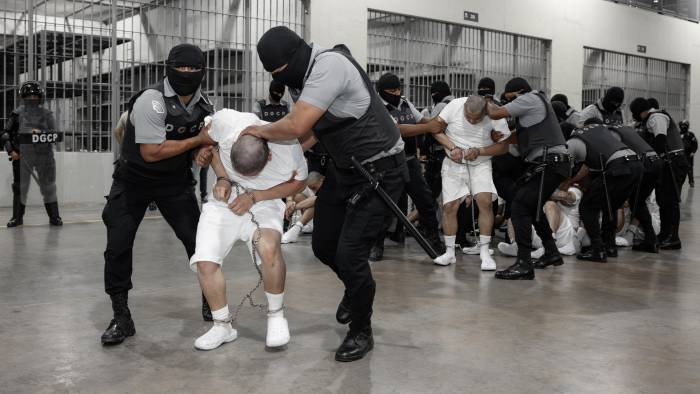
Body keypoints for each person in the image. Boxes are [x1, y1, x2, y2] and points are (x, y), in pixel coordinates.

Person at [246, 26, 408, 362]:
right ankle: (356, 286)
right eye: (273, 74)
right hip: (346, 169)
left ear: (295, 56)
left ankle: (361, 329)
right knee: (323, 245)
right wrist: (283, 168)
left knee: (350, 254)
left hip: (381, 170)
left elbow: (297, 125)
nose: (280, 78)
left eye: (279, 71)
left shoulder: (329, 66)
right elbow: (310, 135)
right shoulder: (298, 79)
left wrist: (258, 131)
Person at [100, 44, 215, 345]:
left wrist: (203, 150)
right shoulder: (151, 99)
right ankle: (121, 317)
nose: (187, 74)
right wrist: (198, 140)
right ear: (169, 68)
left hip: (174, 183)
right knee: (118, 244)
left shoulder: (205, 105)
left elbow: (205, 143)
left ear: (202, 72)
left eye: (193, 69)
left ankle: (211, 300)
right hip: (133, 181)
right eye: (182, 68)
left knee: (198, 242)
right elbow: (151, 152)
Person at [190, 109, 307, 350]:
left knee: (269, 248)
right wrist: (222, 176)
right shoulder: (225, 121)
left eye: (252, 173)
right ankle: (222, 325)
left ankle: (276, 316)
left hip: (266, 200)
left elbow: (299, 182)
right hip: (225, 198)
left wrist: (255, 196)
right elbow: (207, 143)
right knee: (205, 260)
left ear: (270, 158)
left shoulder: (287, 146)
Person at [486, 77, 572, 280]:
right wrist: (503, 138)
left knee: (519, 206)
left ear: (520, 92)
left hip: (549, 161)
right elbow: (518, 137)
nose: (508, 104)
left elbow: (495, 112)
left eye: (510, 99)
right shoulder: (532, 109)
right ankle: (551, 253)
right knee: (532, 209)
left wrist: (484, 100)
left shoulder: (530, 98)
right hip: (550, 162)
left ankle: (524, 263)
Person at [368, 72, 444, 261]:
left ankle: (434, 239)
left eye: (398, 89)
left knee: (426, 200)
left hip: (410, 161)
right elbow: (398, 130)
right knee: (386, 205)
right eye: (391, 90)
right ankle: (376, 245)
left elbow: (422, 121)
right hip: (389, 164)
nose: (396, 92)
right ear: (381, 91)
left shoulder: (405, 103)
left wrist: (439, 123)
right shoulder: (377, 107)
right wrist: (429, 128)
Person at [429, 95, 510, 270]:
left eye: (477, 119)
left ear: (486, 111)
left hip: (480, 163)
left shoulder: (495, 114)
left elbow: (504, 146)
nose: (472, 121)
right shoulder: (454, 106)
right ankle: (450, 252)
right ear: (464, 107)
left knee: (485, 202)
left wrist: (479, 151)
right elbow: (435, 130)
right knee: (449, 206)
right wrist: (453, 148)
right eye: (469, 117)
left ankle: (485, 252)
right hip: (453, 162)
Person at [566, 123, 643, 262]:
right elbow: (588, 166)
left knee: (587, 206)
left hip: (618, 166)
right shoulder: (597, 130)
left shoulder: (572, 142)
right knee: (611, 205)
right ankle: (610, 246)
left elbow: (567, 171)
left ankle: (597, 249)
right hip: (636, 163)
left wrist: (567, 184)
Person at [629, 97, 689, 250]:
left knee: (670, 200)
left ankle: (673, 237)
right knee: (663, 200)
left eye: (634, 113)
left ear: (641, 111)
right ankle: (664, 234)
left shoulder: (657, 117)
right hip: (666, 163)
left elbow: (660, 140)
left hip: (673, 162)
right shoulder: (649, 120)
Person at [1, 81, 62, 227]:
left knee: (49, 187)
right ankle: (17, 218)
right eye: (30, 96)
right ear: (24, 97)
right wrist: (12, 151)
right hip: (22, 156)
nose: (33, 98)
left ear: (40, 97)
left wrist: (42, 133)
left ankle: (55, 217)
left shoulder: (47, 115)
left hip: (44, 156)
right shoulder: (16, 114)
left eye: (35, 95)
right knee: (20, 188)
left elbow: (54, 135)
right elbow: (5, 134)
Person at [607, 124, 662, 253]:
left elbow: (614, 153)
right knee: (638, 202)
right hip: (655, 162)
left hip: (644, 163)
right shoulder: (626, 128)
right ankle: (651, 240)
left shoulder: (611, 132)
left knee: (635, 202)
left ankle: (651, 239)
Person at [282, 171, 323, 244]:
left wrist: (294, 208)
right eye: (311, 188)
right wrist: (289, 201)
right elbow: (292, 189)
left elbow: (317, 198)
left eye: (315, 187)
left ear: (322, 179)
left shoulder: (329, 185)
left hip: (329, 215)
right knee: (298, 196)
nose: (314, 190)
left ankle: (297, 228)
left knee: (316, 201)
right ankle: (310, 224)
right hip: (315, 214)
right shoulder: (306, 183)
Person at [679, 120, 696, 187]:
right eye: (682, 125)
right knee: (681, 169)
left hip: (689, 154)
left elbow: (695, 144)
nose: (683, 127)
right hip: (681, 154)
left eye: (684, 125)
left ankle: (691, 182)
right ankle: (680, 182)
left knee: (689, 169)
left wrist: (693, 152)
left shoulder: (691, 134)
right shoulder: (678, 134)